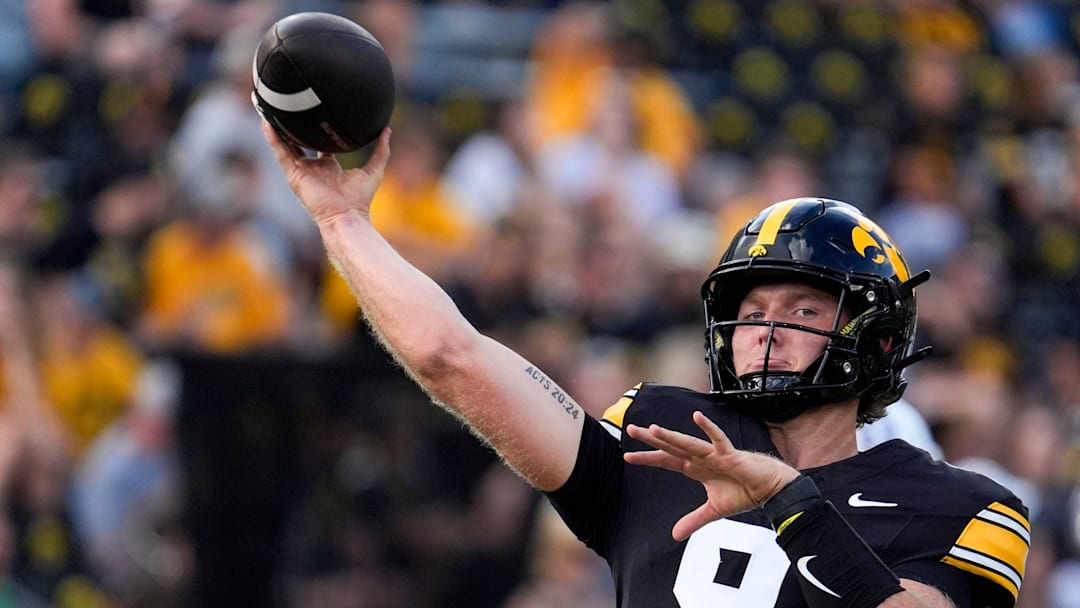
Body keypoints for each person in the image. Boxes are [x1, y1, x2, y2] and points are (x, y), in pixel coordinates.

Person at [261, 122, 1030, 608]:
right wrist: (341, 220)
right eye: (751, 311)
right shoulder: (661, 434)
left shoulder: (963, 504)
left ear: (879, 339)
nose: (764, 333)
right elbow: (448, 357)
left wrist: (792, 502)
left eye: (801, 311)